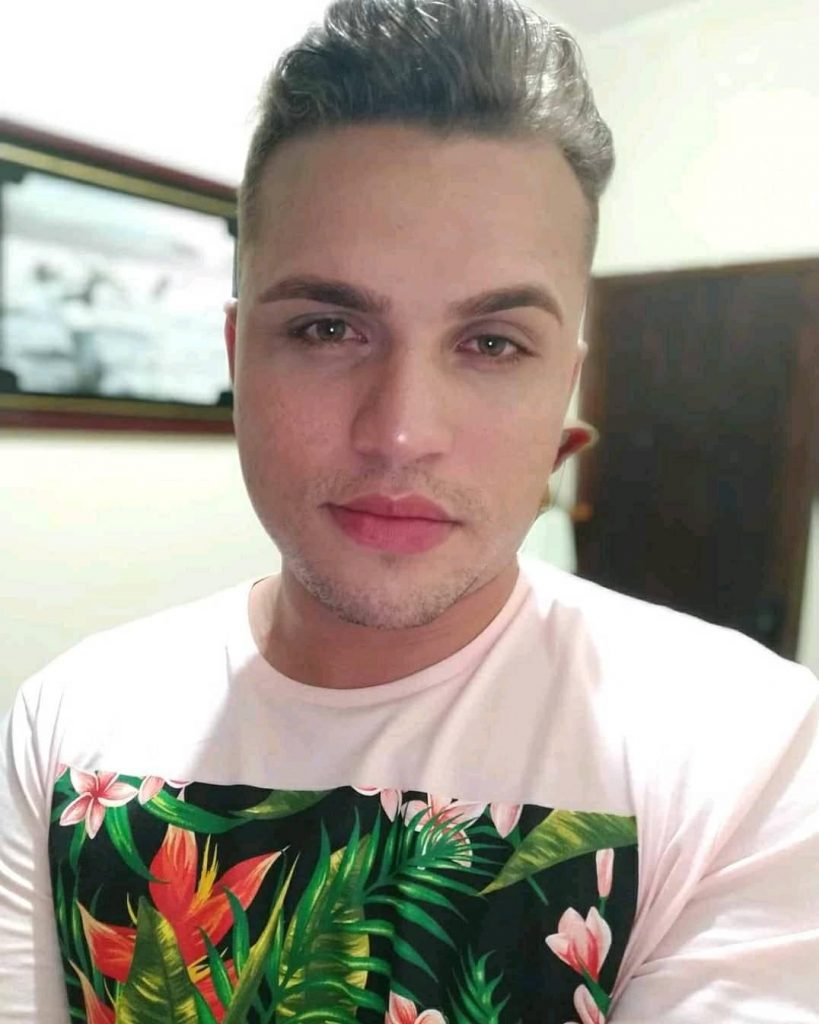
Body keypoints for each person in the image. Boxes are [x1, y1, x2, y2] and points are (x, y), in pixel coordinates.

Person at [1, 1, 817, 1021]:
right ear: (237, 356)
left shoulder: (747, 752)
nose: (399, 433)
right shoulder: (70, 718)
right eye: (328, 327)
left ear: (562, 387)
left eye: (492, 344)